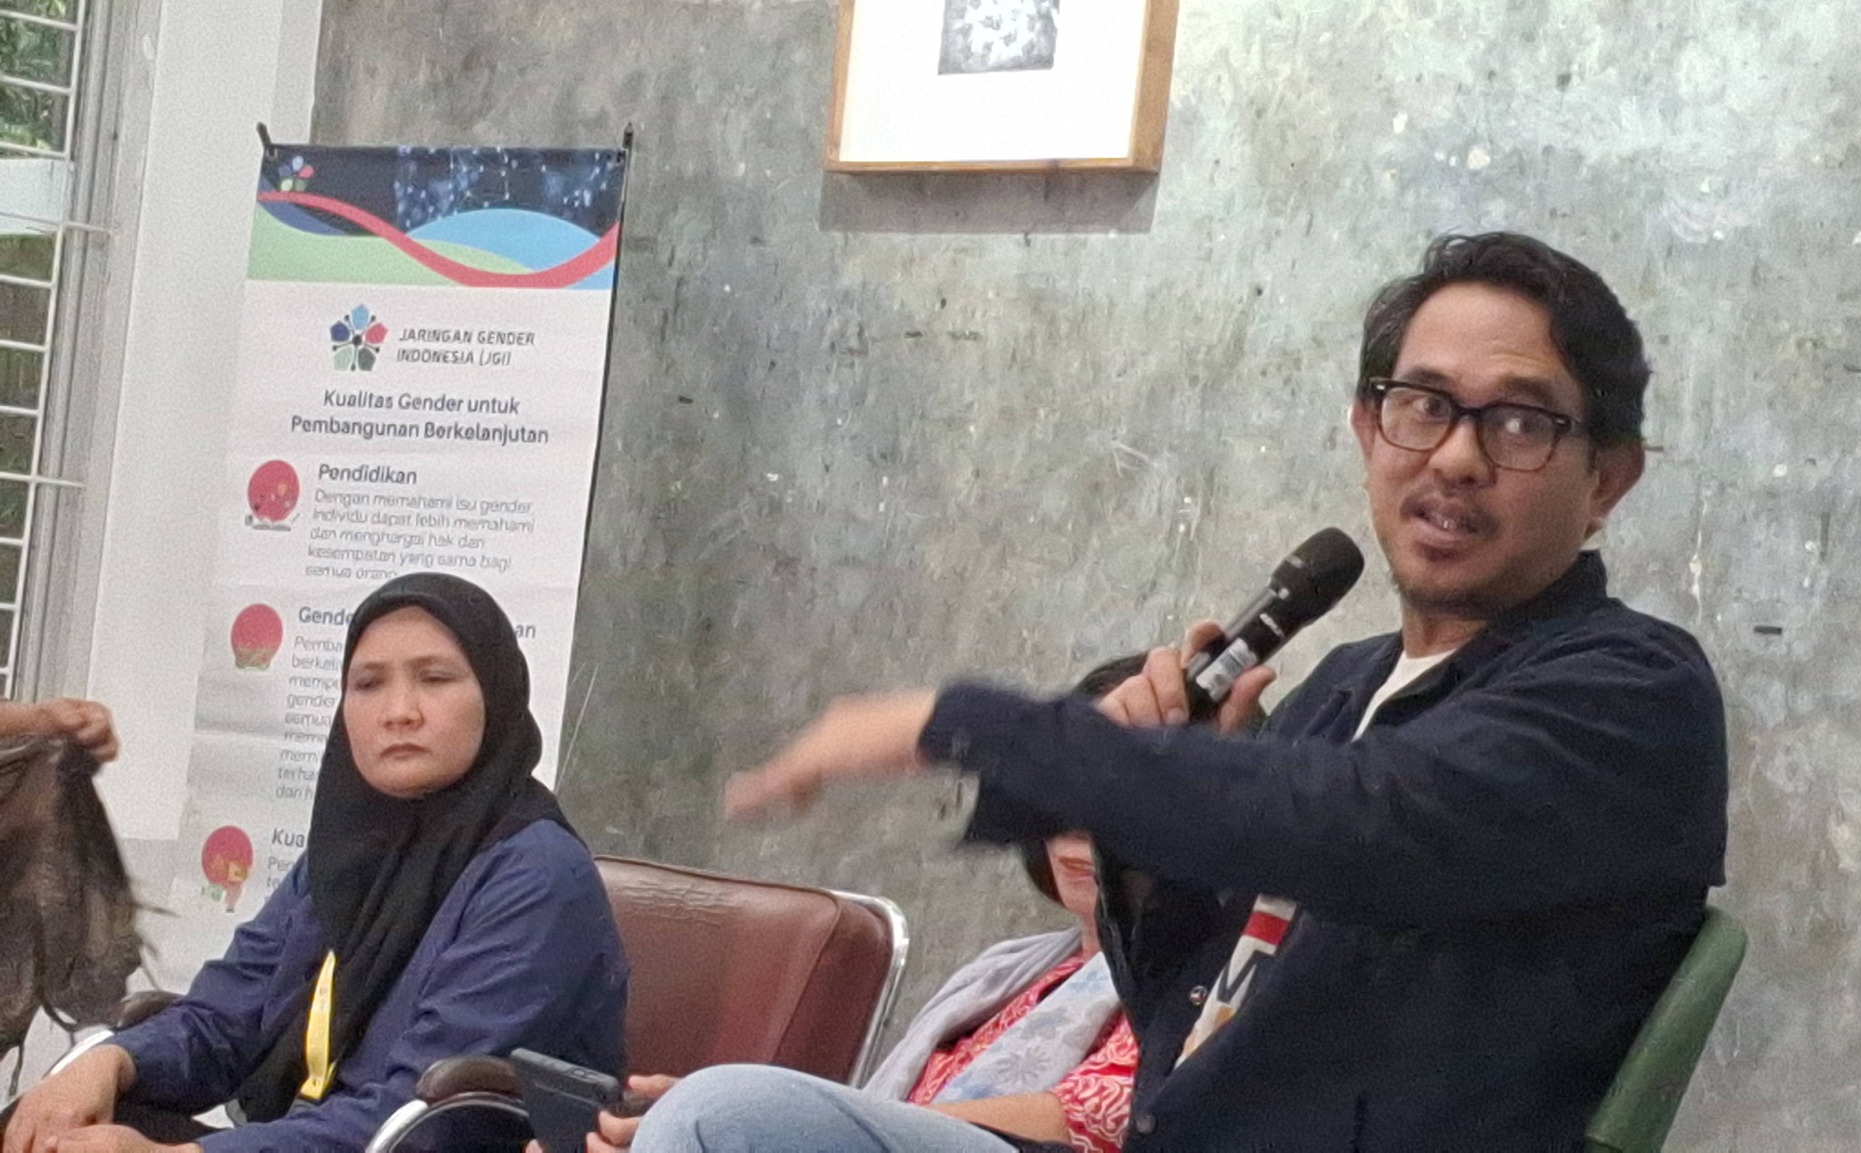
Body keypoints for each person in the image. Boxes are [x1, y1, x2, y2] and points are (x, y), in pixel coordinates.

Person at [719, 232, 1729, 1149]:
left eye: (1517, 422)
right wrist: (1160, 818)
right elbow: (1190, 1015)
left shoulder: (1630, 692)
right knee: (742, 1115)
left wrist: (975, 726)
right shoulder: (1346, 684)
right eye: (1423, 406)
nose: (1457, 458)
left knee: (728, 1121)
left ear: (1606, 479)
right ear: (1368, 429)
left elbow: (1362, 826)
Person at [4, 573, 628, 1153]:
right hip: (311, 1138)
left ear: (496, 694)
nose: (399, 710)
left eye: (435, 679)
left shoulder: (536, 875)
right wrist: (109, 1061)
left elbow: (424, 1119)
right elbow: (226, 1019)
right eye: (368, 684)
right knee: (49, 1132)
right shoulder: (347, 854)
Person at [570, 657, 1150, 1153]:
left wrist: (784, 1123)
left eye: (1122, 798)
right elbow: (880, 1115)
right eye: (1069, 792)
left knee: (716, 1112)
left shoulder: (1191, 989)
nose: (1080, 830)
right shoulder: (1008, 971)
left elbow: (1092, 1121)